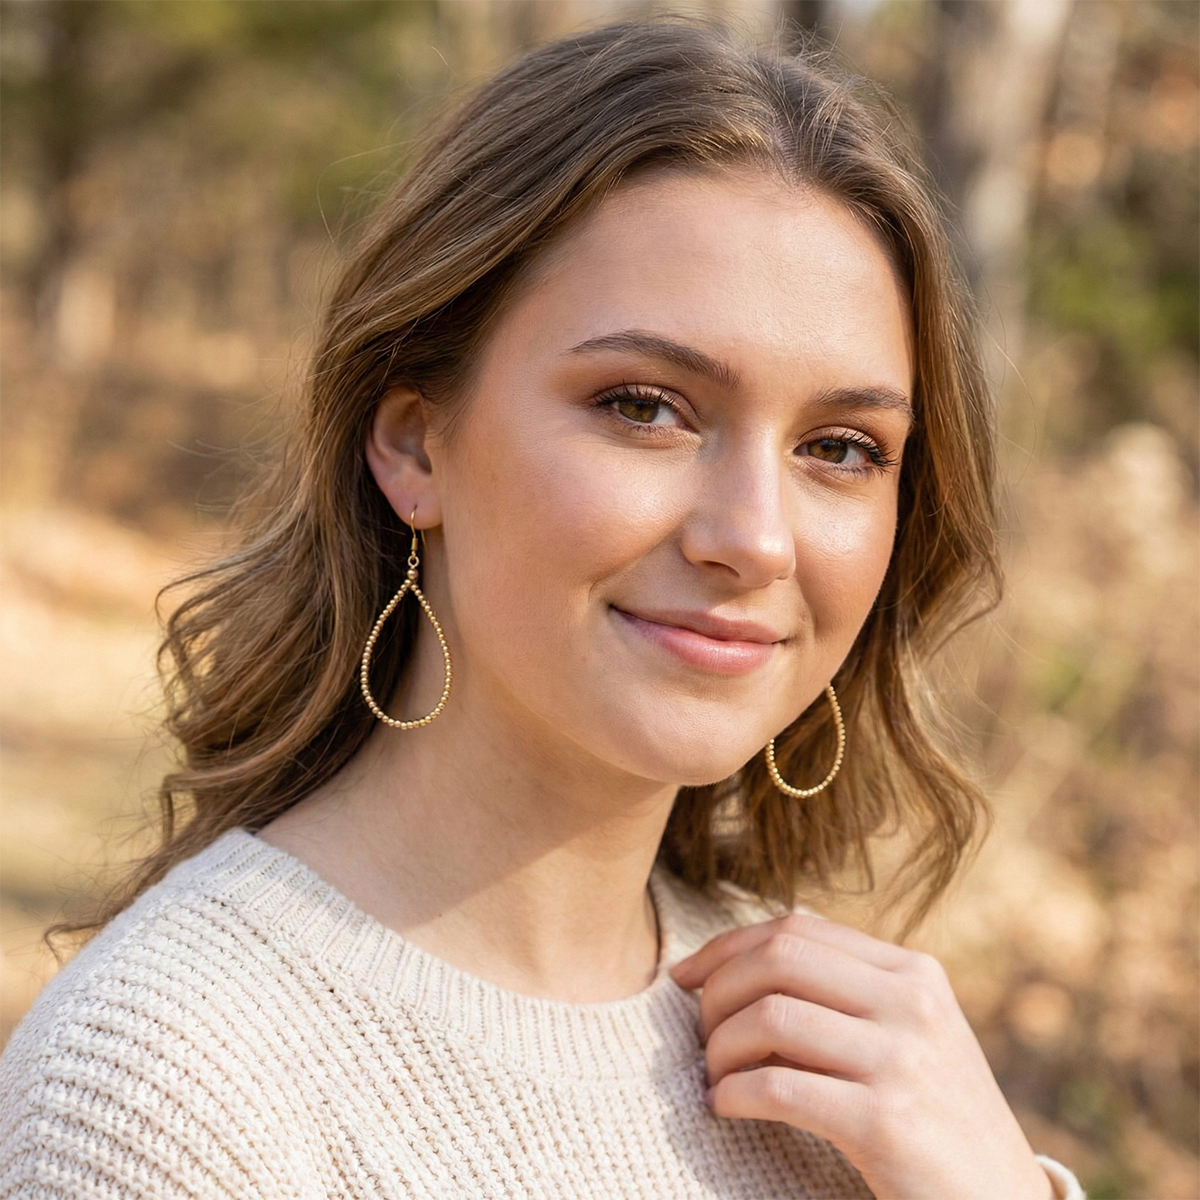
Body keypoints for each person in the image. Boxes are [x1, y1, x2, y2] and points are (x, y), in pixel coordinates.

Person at [0, 19, 1084, 1200]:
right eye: (644, 406)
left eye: (839, 446)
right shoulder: (170, 1092)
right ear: (416, 445)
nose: (755, 538)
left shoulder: (851, 1074)